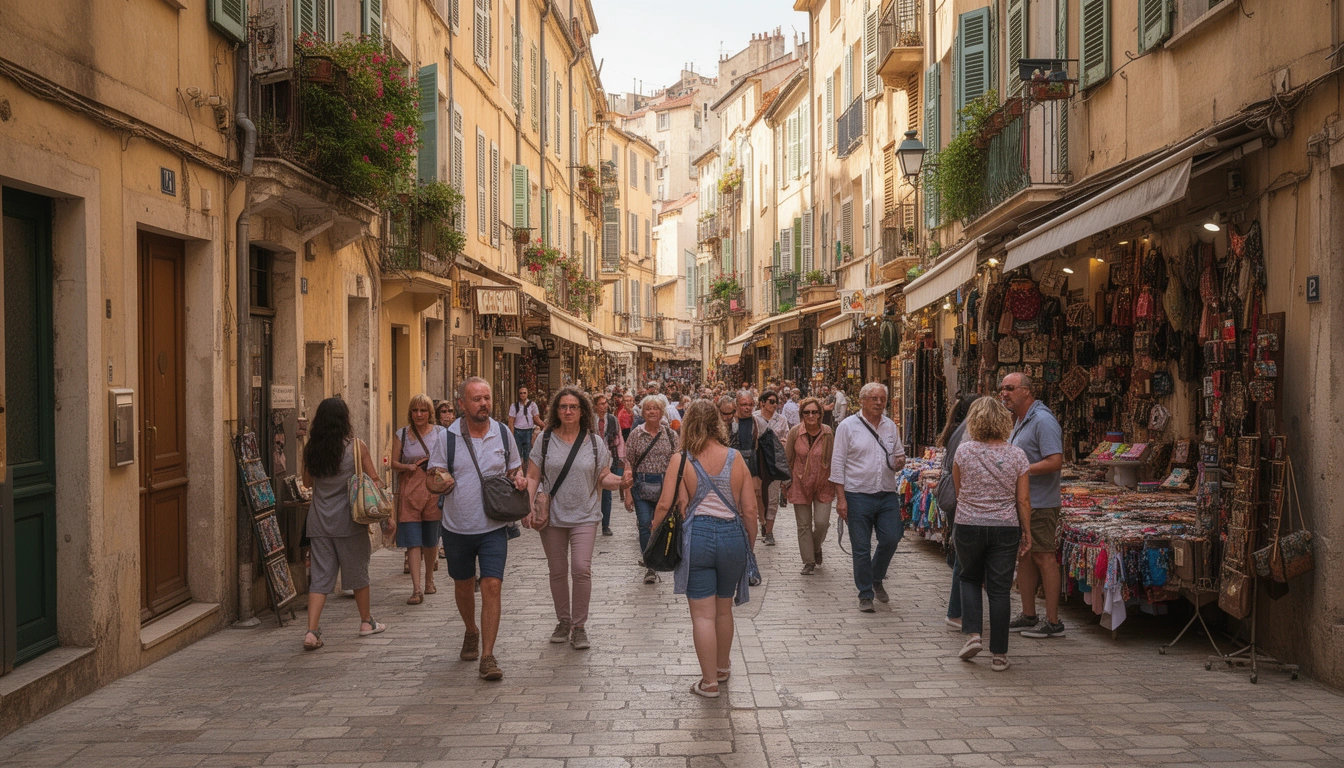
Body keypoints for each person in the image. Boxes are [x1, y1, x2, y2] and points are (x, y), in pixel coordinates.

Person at [650, 399, 759, 698]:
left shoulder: (680, 459)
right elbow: (750, 511)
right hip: (732, 537)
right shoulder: (735, 458)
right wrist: (748, 547)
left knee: (702, 616)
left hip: (696, 536)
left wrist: (652, 538)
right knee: (724, 610)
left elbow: (664, 504)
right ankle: (722, 668)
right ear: (718, 423)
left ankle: (709, 682)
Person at [432, 377, 527, 680]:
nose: (484, 404)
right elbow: (430, 479)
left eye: (486, 398)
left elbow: (514, 469)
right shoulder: (446, 438)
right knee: (463, 585)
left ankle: (488, 655)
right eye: (476, 399)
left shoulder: (502, 432)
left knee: (492, 585)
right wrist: (439, 482)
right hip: (457, 526)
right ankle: (470, 629)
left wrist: (519, 479)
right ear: (462, 404)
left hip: (493, 525)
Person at [524, 388, 622, 650]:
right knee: (557, 571)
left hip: (585, 515)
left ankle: (579, 625)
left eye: (573, 407)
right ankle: (563, 621)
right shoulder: (544, 440)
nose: (568, 411)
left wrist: (622, 482)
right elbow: (533, 476)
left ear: (583, 411)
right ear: (556, 410)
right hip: (553, 516)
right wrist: (527, 506)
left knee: (581, 569)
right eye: (563, 407)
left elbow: (603, 476)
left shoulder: (594, 442)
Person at [299, 397, 388, 650]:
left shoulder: (311, 449)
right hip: (350, 521)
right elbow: (374, 480)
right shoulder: (356, 448)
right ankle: (365, 622)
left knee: (320, 577)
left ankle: (312, 631)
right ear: (344, 419)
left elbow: (307, 483)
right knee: (358, 572)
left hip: (319, 522)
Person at [952, 397, 1033, 671]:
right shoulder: (1017, 455)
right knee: (999, 590)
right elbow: (1023, 500)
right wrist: (1027, 532)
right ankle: (999, 654)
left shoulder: (963, 452)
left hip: (968, 524)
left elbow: (959, 489)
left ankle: (973, 634)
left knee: (969, 578)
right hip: (1005, 526)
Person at [1000, 372, 1066, 639]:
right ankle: (1029, 614)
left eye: (1010, 388)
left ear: (1026, 391)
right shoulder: (1021, 420)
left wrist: (1021, 470)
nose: (1004, 393)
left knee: (1043, 555)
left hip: (1040, 503)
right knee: (1025, 554)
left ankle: (1053, 622)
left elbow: (1055, 461)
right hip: (1026, 502)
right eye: (1002, 388)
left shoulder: (1042, 421)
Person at [830, 382, 906, 612]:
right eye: (873, 398)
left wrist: (899, 462)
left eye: (882, 398)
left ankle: (876, 577)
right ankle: (865, 593)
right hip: (857, 494)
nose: (878, 402)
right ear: (862, 400)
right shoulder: (847, 427)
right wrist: (841, 499)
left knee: (892, 537)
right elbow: (837, 464)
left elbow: (898, 456)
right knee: (861, 547)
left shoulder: (890, 426)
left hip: (885, 493)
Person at [389, 393, 447, 605]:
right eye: (415, 410)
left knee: (431, 541)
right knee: (413, 543)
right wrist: (408, 466)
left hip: (433, 491)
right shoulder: (402, 434)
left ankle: (429, 579)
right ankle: (416, 589)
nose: (419, 414)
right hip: (410, 493)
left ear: (430, 413)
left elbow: (449, 459)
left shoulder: (441, 433)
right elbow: (393, 463)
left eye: (423, 410)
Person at [622, 395, 680, 584]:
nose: (652, 412)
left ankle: (661, 557)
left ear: (662, 412)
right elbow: (628, 464)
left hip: (666, 486)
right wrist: (627, 493)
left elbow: (678, 464)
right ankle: (650, 566)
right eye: (648, 409)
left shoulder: (671, 435)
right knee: (646, 524)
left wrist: (680, 493)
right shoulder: (636, 434)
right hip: (641, 486)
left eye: (656, 408)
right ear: (643, 412)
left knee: (662, 524)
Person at [937, 394, 978, 629]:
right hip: (962, 499)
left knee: (963, 554)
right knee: (965, 557)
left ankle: (960, 609)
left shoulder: (957, 429)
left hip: (956, 498)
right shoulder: (966, 433)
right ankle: (957, 610)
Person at [785, 397, 835, 575]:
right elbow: (788, 458)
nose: (811, 415)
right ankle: (808, 561)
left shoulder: (828, 432)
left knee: (822, 523)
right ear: (801, 415)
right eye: (807, 412)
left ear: (820, 414)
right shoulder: (794, 432)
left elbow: (832, 457)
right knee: (803, 525)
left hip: (823, 483)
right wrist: (786, 482)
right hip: (800, 483)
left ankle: (815, 546)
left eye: (814, 412)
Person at [755, 389, 789, 546]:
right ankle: (762, 521)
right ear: (763, 402)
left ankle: (769, 531)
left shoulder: (781, 420)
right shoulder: (754, 418)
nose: (775, 405)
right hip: (758, 462)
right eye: (771, 401)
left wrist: (784, 443)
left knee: (773, 498)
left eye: (776, 402)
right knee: (759, 496)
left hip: (774, 463)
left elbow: (787, 437)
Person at [593, 393, 628, 536]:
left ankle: (605, 524)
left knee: (606, 493)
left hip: (609, 457)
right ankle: (591, 521)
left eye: (606, 403)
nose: (605, 405)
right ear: (595, 406)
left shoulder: (612, 420)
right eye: (601, 403)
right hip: (591, 458)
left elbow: (619, 439)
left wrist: (621, 458)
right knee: (592, 492)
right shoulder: (589, 420)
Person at [508, 386, 544, 470]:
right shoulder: (514, 406)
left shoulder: (532, 405)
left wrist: (545, 426)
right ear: (518, 394)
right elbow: (511, 422)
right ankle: (519, 471)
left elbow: (536, 418)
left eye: (524, 393)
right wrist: (511, 436)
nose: (523, 395)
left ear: (527, 394)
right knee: (517, 452)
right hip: (517, 431)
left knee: (527, 453)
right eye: (521, 393)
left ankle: (527, 471)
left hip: (528, 431)